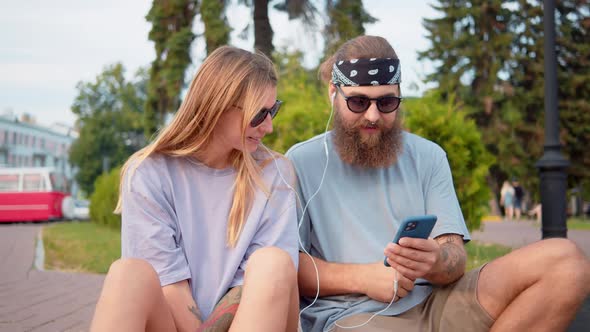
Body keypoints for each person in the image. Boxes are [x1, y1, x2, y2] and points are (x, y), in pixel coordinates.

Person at [286, 35, 590, 332]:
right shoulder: (300, 161)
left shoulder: (428, 155)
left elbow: (454, 257)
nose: (373, 115)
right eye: (357, 101)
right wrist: (364, 278)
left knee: (566, 263)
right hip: (355, 316)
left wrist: (436, 261)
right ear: (332, 93)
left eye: (387, 102)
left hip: (439, 303)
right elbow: (288, 267)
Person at [90, 46, 300, 332]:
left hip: (253, 320)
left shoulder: (275, 173)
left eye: (273, 110)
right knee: (128, 274)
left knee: (273, 264)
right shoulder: (149, 173)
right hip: (174, 322)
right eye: (258, 114)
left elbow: (258, 292)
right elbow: (169, 286)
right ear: (217, 106)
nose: (269, 127)